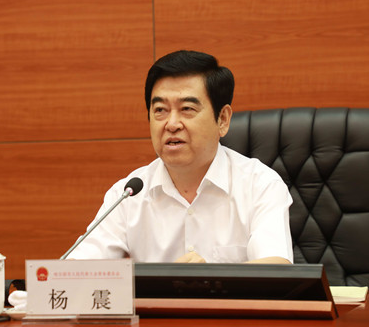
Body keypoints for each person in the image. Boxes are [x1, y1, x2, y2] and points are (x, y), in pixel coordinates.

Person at [67, 50, 293, 264]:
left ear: (222, 119)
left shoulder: (260, 185)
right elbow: (75, 271)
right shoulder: (128, 194)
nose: (172, 124)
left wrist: (211, 278)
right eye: (160, 110)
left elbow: (276, 268)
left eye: (187, 109)